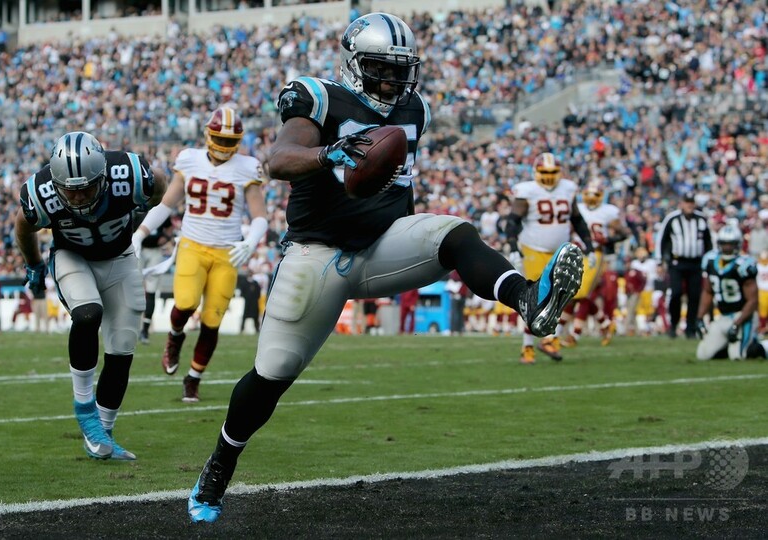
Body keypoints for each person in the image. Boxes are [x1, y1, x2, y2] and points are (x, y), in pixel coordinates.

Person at [187, 12, 584, 523]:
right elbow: (279, 159)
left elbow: (400, 184)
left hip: (381, 246)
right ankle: (220, 465)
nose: (392, 80)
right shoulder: (319, 98)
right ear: (354, 64)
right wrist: (328, 153)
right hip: (316, 255)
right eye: (381, 67)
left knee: (455, 233)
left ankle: (528, 298)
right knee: (274, 372)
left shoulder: (415, 109)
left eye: (400, 69)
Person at [14, 131, 167, 460]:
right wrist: (34, 263)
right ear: (57, 183)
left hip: (120, 257)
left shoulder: (128, 174)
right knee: (87, 313)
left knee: (122, 347)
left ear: (104, 177)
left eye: (87, 187)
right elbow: (23, 226)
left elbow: (159, 183)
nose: (80, 196)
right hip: (73, 256)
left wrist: (146, 208)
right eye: (71, 189)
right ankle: (85, 409)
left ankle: (104, 434)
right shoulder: (41, 192)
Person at [132, 105, 268, 403]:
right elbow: (167, 204)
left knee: (212, 320)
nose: (224, 146)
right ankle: (174, 336)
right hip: (193, 245)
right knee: (186, 302)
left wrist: (251, 241)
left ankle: (193, 378)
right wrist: (141, 232)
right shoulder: (190, 160)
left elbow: (260, 215)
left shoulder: (247, 167)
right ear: (208, 135)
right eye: (220, 139)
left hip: (227, 253)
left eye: (230, 141)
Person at [505, 152, 595, 364]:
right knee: (534, 298)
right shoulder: (527, 191)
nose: (549, 176)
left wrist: (589, 246)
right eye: (545, 172)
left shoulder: (568, 188)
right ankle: (527, 346)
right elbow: (512, 221)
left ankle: (549, 340)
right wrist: (513, 246)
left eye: (553, 172)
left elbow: (577, 219)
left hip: (559, 251)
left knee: (562, 295)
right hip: (533, 249)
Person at [557, 180, 630, 347]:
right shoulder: (578, 208)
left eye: (595, 194)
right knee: (573, 294)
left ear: (601, 196)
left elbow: (625, 233)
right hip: (575, 254)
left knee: (582, 293)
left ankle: (572, 334)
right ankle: (604, 324)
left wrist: (608, 239)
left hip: (595, 255)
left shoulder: (608, 211)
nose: (591, 197)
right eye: (588, 194)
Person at [696, 224, 768, 360]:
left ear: (738, 244)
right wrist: (699, 318)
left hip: (743, 316)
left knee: (740, 355)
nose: (727, 247)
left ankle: (763, 347)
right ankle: (729, 346)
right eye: (724, 244)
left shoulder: (744, 265)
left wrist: (737, 323)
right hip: (723, 316)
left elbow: (753, 301)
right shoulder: (710, 261)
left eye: (730, 244)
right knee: (703, 355)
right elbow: (707, 292)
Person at [655, 191, 713, 338]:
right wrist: (659, 261)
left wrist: (709, 262)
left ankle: (690, 328)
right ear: (681, 203)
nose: (689, 205)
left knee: (694, 296)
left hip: (696, 263)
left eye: (692, 202)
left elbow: (708, 242)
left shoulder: (701, 219)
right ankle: (673, 325)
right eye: (687, 202)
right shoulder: (672, 218)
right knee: (675, 293)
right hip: (677, 262)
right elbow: (661, 239)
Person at [133, 211, 175, 344]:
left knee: (151, 290)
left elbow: (169, 226)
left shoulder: (160, 209)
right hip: (138, 249)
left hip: (155, 251)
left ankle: (145, 330)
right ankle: (132, 327)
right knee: (133, 288)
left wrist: (166, 237)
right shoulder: (136, 208)